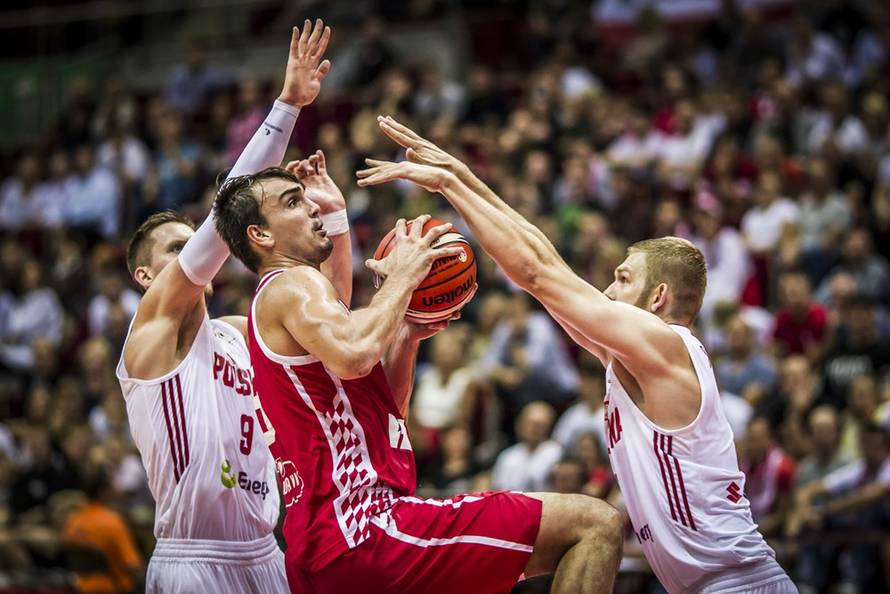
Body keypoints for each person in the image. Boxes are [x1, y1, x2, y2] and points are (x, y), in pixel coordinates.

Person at [358, 116, 797, 593]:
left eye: (623, 279)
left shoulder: (666, 344)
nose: (607, 290)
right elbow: (545, 269)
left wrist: (451, 184)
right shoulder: (631, 359)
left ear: (658, 298)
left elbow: (538, 271)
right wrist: (462, 176)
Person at [213, 174, 622, 593]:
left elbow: (384, 414)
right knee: (594, 524)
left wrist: (406, 338)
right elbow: (355, 354)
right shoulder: (290, 285)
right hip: (366, 529)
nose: (311, 206)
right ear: (260, 234)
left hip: (328, 548)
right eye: (292, 202)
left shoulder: (299, 310)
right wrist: (403, 277)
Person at [115, 20, 334, 593]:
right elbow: (225, 213)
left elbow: (332, 317)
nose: (194, 254)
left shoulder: (240, 330)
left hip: (266, 553)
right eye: (176, 249)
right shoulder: (151, 333)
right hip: (194, 559)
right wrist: (287, 106)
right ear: (145, 276)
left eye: (193, 243)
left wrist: (330, 218)